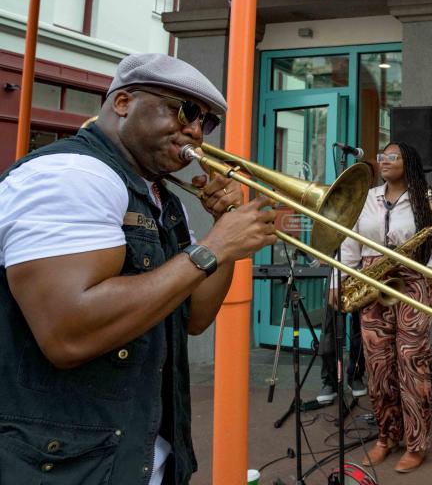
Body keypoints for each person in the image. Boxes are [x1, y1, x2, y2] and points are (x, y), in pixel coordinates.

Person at [0, 53, 278, 484]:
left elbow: (194, 317)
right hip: (64, 465)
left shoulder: (162, 200)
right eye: (184, 110)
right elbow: (67, 332)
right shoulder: (70, 175)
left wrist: (222, 244)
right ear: (124, 102)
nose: (195, 131)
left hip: (141, 455)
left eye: (206, 122)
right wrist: (211, 247)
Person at [335, 142, 432, 473]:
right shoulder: (367, 197)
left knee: (412, 366)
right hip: (371, 284)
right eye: (382, 155)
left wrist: (426, 272)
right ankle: (386, 437)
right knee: (378, 366)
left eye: (393, 156)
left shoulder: (425, 200)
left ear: (409, 162)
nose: (384, 160)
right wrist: (338, 282)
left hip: (412, 284)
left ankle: (416, 443)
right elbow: (349, 242)